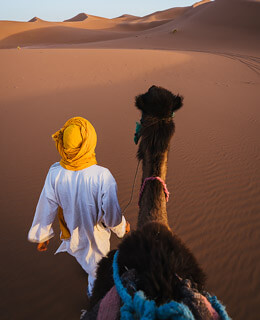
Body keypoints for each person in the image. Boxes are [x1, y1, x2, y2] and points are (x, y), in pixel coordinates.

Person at [28, 116, 130, 295]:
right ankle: (95, 295)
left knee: (86, 260)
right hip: (96, 236)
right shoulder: (102, 176)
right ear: (89, 142)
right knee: (98, 270)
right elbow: (112, 216)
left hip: (72, 234)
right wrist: (122, 228)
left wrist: (42, 235)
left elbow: (46, 204)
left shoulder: (55, 172)